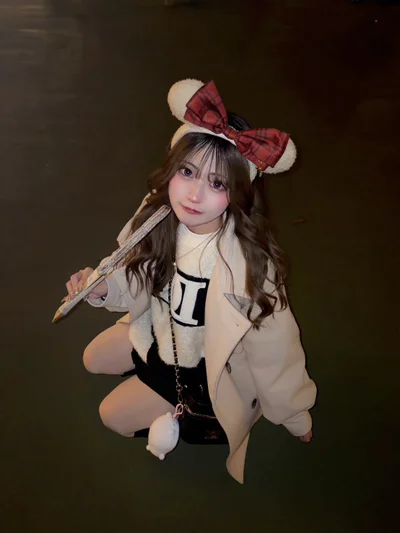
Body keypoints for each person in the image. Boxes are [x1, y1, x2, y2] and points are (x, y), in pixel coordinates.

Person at [65, 79, 317, 484]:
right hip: (158, 330)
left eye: (217, 183)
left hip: (201, 368)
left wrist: (293, 413)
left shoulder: (249, 266)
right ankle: (150, 380)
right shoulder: (156, 217)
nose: (194, 196)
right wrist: (103, 287)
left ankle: (197, 414)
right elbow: (135, 276)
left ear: (237, 193)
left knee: (112, 416)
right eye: (187, 171)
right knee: (92, 358)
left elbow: (276, 348)